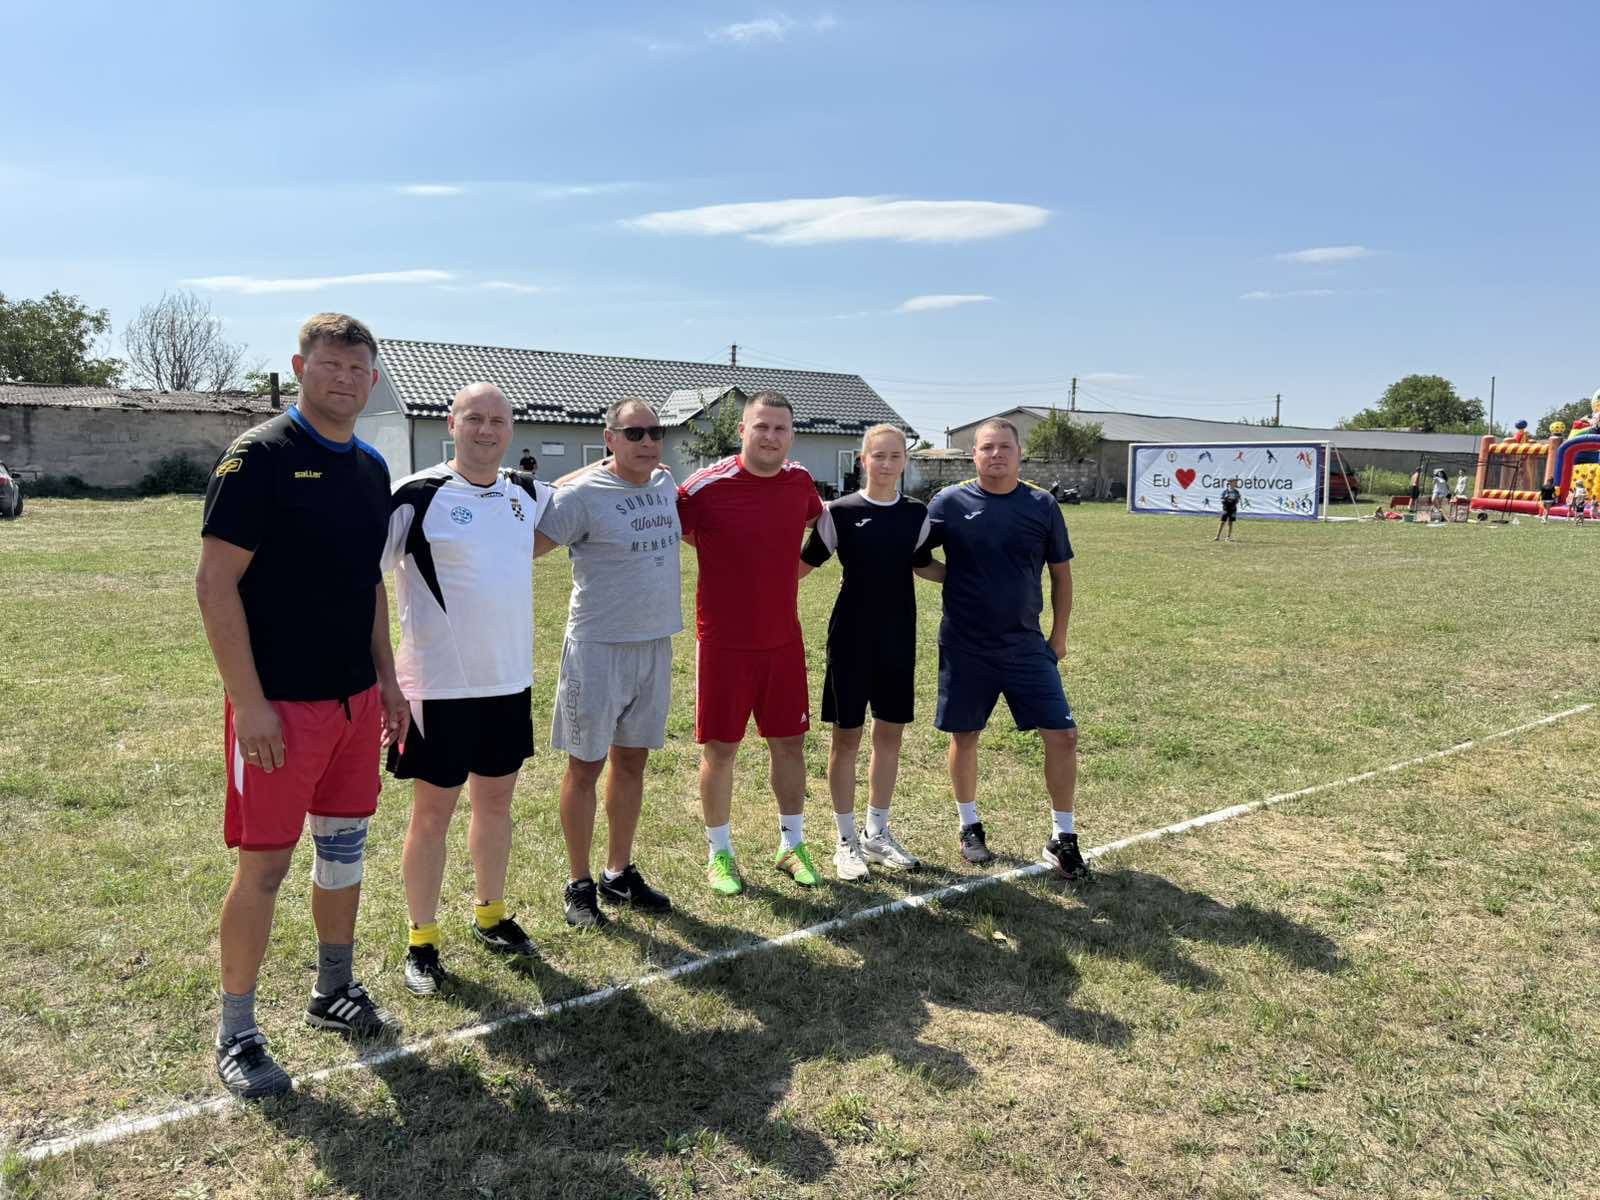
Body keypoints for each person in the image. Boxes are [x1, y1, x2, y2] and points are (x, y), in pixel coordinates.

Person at [195, 313, 408, 1099]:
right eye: (330, 365)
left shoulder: (372, 467)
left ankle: (333, 990)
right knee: (266, 866)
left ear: (372, 379)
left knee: (343, 850)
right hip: (280, 708)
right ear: (299, 367)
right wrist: (248, 704)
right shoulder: (260, 457)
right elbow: (214, 584)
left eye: (357, 368)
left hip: (354, 704)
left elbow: (368, 582)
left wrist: (387, 681)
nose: (344, 379)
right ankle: (237, 1032)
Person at [384, 383, 554, 997]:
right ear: (450, 425)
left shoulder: (525, 493)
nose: (486, 430)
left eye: (498, 421)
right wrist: (386, 680)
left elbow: (578, 495)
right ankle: (422, 940)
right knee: (432, 814)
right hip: (438, 690)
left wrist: (636, 461)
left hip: (508, 683)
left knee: (497, 804)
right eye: (474, 419)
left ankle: (490, 915)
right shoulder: (415, 494)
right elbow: (366, 579)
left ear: (511, 430)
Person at [533, 399, 679, 926]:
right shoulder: (581, 496)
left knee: (632, 762)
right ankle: (578, 883)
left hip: (654, 645)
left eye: (655, 432)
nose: (647, 441)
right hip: (597, 650)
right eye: (633, 433)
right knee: (585, 767)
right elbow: (527, 546)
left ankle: (618, 872)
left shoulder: (665, 483)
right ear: (609, 438)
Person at [920, 418, 1086, 879]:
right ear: (973, 454)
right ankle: (969, 825)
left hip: (1025, 644)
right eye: (987, 447)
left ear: (1019, 453)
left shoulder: (1042, 504)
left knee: (1063, 735)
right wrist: (951, 576)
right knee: (965, 735)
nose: (996, 454)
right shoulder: (948, 502)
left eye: (1004, 447)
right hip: (965, 644)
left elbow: (1061, 575)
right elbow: (916, 557)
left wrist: (1059, 635)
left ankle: (1063, 837)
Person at [677, 390, 824, 894]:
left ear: (791, 436)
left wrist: (796, 570)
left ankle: (792, 845)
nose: (770, 436)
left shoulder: (800, 482)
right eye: (761, 426)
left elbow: (819, 522)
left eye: (780, 428)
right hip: (723, 644)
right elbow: (675, 528)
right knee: (721, 749)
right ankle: (719, 853)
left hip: (783, 641)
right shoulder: (705, 486)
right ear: (743, 430)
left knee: (790, 744)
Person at [799, 424, 943, 880]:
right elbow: (800, 566)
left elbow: (923, 565)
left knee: (890, 735)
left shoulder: (917, 515)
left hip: (898, 637)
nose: (886, 463)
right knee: (847, 738)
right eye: (877, 455)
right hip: (850, 638)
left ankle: (876, 833)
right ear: (862, 460)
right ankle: (845, 841)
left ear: (905, 461)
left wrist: (978, 576)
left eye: (894, 455)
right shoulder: (838, 512)